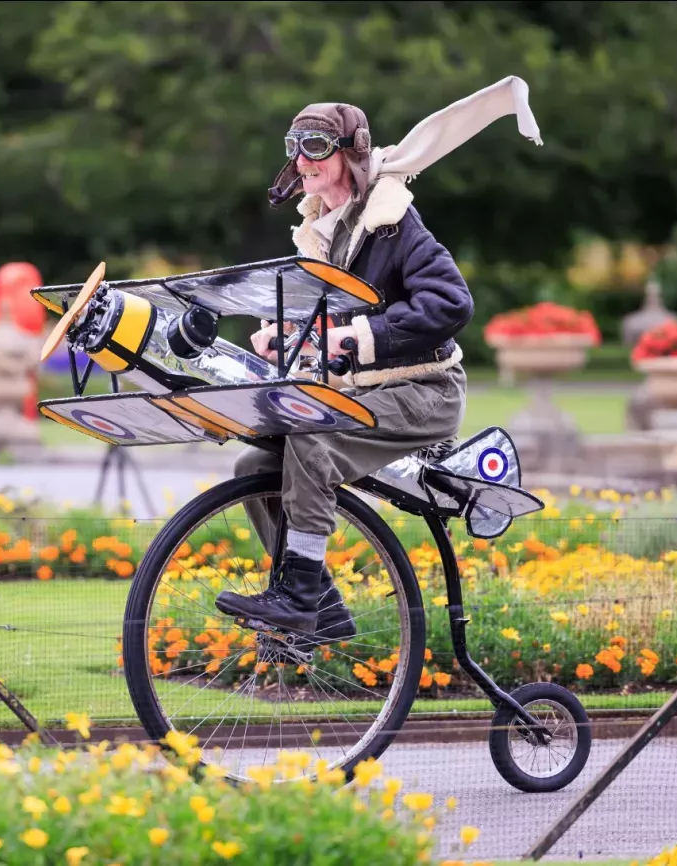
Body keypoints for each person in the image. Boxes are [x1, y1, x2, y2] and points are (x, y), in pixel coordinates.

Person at [213, 78, 544, 644]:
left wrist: (355, 339)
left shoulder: (394, 222)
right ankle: (321, 604)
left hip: (425, 393)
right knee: (251, 469)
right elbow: (325, 321)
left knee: (312, 437)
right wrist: (285, 335)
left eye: (315, 146)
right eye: (294, 145)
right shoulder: (324, 230)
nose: (302, 159)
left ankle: (295, 599)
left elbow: (451, 303)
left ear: (351, 155)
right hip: (370, 393)